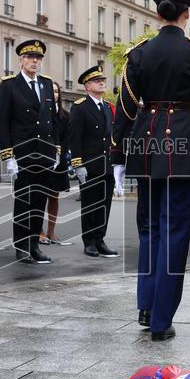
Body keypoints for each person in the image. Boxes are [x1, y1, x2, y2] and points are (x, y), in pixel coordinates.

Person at [112, 0, 190, 341]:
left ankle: (146, 307)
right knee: (174, 233)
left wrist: (117, 154)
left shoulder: (140, 53)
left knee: (148, 229)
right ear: (186, 13)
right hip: (185, 146)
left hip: (147, 144)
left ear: (158, 14)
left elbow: (127, 107)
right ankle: (161, 321)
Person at [0, 39, 61, 264]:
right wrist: (8, 155)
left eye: (38, 58)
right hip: (23, 153)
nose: (35, 61)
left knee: (39, 201)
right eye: (30, 57)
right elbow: (3, 123)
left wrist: (56, 149)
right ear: (21, 60)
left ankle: (34, 243)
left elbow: (53, 121)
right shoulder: (9, 86)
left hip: (44, 152)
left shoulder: (45, 84)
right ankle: (22, 245)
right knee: (23, 201)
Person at [67, 66, 119, 258]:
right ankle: (89, 241)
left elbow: (110, 137)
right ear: (88, 86)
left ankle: (100, 239)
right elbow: (75, 137)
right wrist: (78, 164)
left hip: (106, 165)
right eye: (97, 81)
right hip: (89, 166)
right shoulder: (80, 107)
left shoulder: (107, 107)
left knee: (104, 205)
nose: (102, 82)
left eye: (102, 80)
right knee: (90, 205)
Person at [38, 82, 74, 247]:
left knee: (54, 197)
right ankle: (39, 231)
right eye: (50, 91)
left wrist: (62, 156)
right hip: (43, 160)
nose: (54, 94)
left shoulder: (65, 115)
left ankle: (51, 231)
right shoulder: (40, 112)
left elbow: (67, 139)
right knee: (40, 197)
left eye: (56, 91)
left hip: (59, 163)